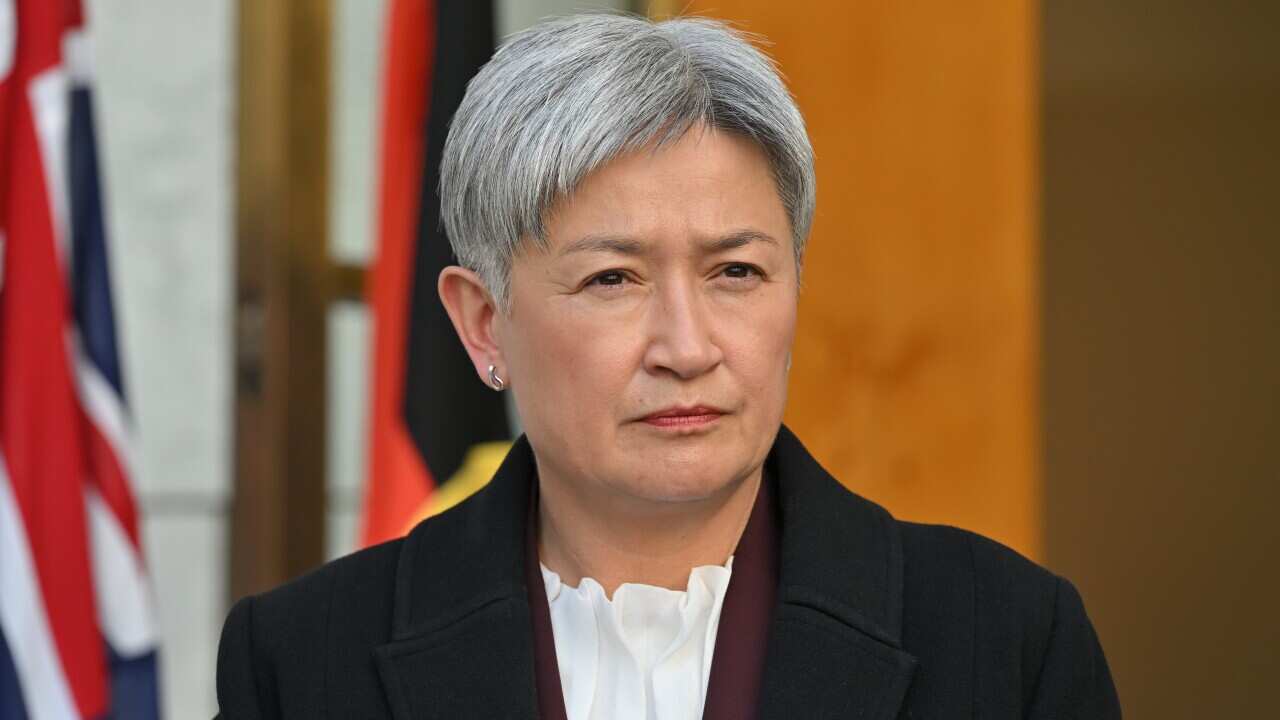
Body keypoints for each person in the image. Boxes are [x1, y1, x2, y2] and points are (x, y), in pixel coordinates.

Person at [215, 14, 1120, 719]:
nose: (688, 348)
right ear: (484, 323)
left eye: (737, 272)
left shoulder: (1004, 641)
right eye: (613, 278)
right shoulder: (304, 660)